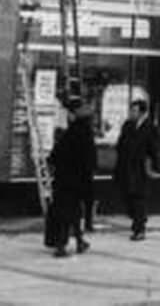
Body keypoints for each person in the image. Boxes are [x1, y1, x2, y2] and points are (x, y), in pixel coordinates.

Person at [48, 95, 97, 257]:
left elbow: (57, 155)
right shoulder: (86, 132)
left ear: (72, 114)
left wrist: (51, 160)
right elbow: (90, 159)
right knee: (75, 211)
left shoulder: (70, 133)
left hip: (65, 180)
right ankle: (79, 241)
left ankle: (61, 244)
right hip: (79, 180)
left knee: (64, 211)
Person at [114, 97, 160, 240]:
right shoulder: (127, 125)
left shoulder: (150, 128)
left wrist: (154, 167)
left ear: (142, 113)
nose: (131, 113)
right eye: (131, 110)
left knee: (139, 198)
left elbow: (153, 150)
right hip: (126, 167)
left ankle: (139, 229)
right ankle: (139, 219)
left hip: (140, 168)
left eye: (134, 110)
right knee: (127, 198)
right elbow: (120, 144)